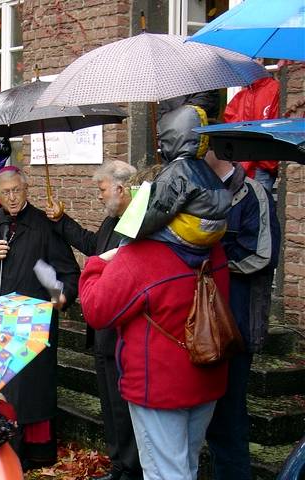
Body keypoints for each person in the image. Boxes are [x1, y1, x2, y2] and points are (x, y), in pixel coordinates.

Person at [79, 239, 230, 480]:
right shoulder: (214, 246)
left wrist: (95, 265)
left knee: (163, 472)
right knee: (187, 466)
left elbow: (97, 308)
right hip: (205, 374)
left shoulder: (140, 254)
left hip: (158, 386)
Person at [0, 166, 80, 470]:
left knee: (32, 388)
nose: (12, 198)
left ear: (26, 190)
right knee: (1, 385)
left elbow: (67, 272)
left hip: (34, 322)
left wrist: (60, 298)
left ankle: (32, 453)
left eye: (17, 191)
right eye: (5, 193)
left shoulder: (45, 224)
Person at [45, 160, 142, 480]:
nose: (99, 196)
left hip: (120, 330)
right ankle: (119, 464)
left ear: (120, 187)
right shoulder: (111, 221)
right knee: (110, 403)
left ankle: (129, 468)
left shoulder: (136, 224)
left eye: (101, 189)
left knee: (122, 404)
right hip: (102, 331)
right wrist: (61, 220)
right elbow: (91, 246)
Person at [203, 147, 281, 480]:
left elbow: (263, 255)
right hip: (201, 323)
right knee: (210, 421)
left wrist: (213, 263)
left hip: (235, 324)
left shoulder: (254, 194)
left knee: (230, 418)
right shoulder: (198, 192)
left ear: (211, 151)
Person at [137, 104, 232, 251]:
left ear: (171, 138)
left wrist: (132, 231)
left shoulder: (176, 171)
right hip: (214, 233)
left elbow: (156, 213)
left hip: (190, 233)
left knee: (129, 243)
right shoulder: (205, 168)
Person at [223, 64, 280, 192]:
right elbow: (230, 124)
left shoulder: (275, 90)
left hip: (262, 164)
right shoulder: (242, 95)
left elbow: (277, 126)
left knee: (260, 205)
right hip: (243, 164)